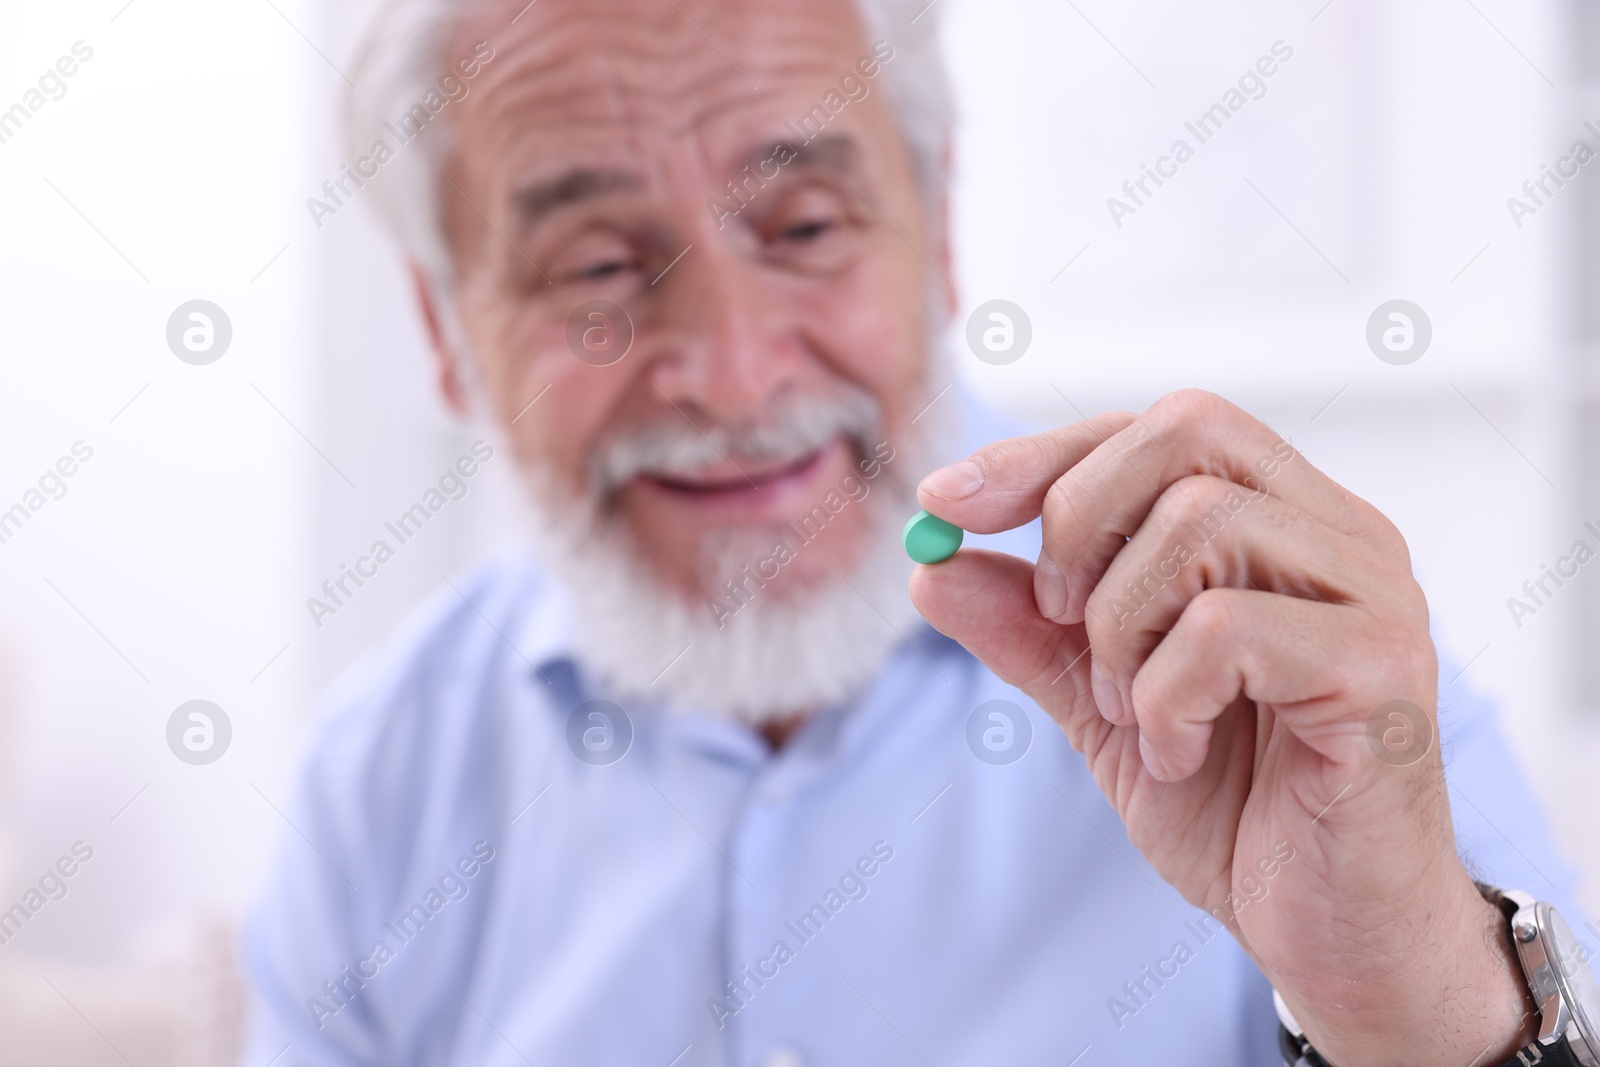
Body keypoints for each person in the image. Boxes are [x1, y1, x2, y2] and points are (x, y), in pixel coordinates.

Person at [244, 0, 1586, 1063]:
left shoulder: (1299, 698)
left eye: (806, 224)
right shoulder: (377, 787)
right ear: (444, 331)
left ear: (936, 234)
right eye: (597, 265)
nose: (732, 371)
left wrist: (1407, 1009)